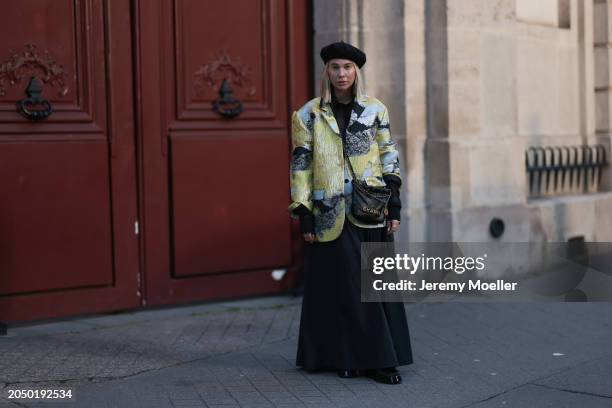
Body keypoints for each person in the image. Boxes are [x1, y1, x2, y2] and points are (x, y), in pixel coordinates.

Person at [288, 41, 414, 385]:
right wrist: (305, 214)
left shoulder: (375, 110)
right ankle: (350, 356)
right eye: (334, 67)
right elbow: (300, 165)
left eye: (347, 67)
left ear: (356, 71)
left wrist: (395, 204)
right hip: (330, 210)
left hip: (371, 205)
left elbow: (389, 154)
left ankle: (382, 359)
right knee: (343, 286)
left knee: (377, 285)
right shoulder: (308, 114)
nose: (341, 73)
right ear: (325, 72)